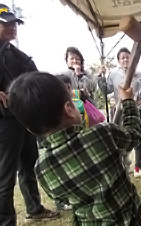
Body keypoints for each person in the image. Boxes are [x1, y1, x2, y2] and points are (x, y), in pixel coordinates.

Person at [8, 72, 141, 225]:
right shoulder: (102, 134)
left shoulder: (41, 169)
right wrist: (128, 101)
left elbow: (60, 198)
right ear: (69, 109)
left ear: (30, 129)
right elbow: (133, 135)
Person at [0, 4, 59, 225]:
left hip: (23, 119)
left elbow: (33, 76)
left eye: (14, 23)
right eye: (6, 23)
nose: (12, 27)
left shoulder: (15, 53)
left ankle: (34, 208)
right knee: (5, 177)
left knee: (29, 165)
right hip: (4, 124)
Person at [98, 47, 141, 178]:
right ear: (119, 61)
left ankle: (138, 166)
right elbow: (105, 90)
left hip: (137, 110)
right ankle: (123, 164)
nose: (125, 59)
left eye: (127, 57)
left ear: (132, 59)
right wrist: (100, 77)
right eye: (122, 57)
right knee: (119, 137)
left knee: (140, 138)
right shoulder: (113, 75)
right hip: (119, 111)